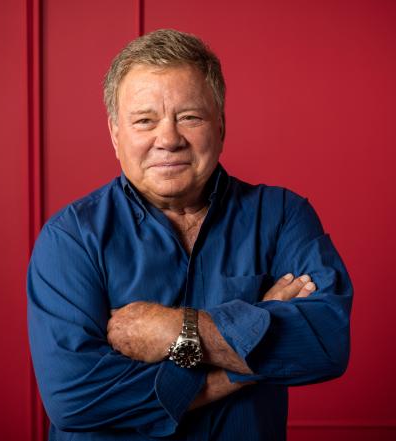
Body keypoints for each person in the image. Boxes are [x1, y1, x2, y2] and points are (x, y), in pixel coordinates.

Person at [27, 29, 353, 441]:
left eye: (190, 117)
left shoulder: (283, 216)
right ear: (115, 134)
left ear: (220, 124)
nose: (168, 139)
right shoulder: (70, 239)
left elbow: (325, 343)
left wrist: (175, 329)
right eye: (145, 120)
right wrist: (238, 364)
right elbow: (75, 399)